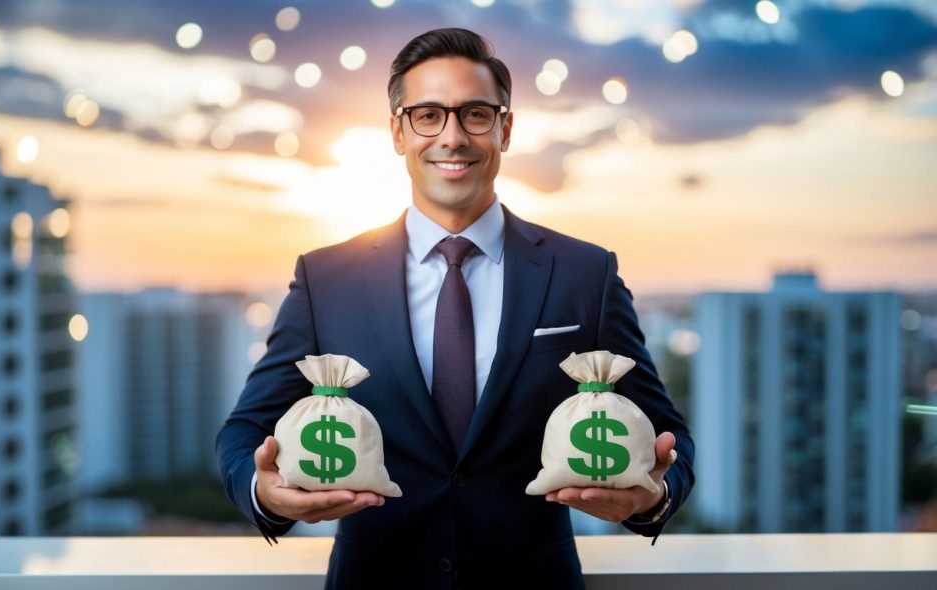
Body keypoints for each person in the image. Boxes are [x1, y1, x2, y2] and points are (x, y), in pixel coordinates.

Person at [217, 27, 694, 589]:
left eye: (475, 114)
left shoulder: (585, 273)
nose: (452, 136)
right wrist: (265, 492)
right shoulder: (326, 279)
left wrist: (652, 498)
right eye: (427, 115)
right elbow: (245, 430)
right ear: (397, 132)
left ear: (504, 129)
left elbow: (668, 434)